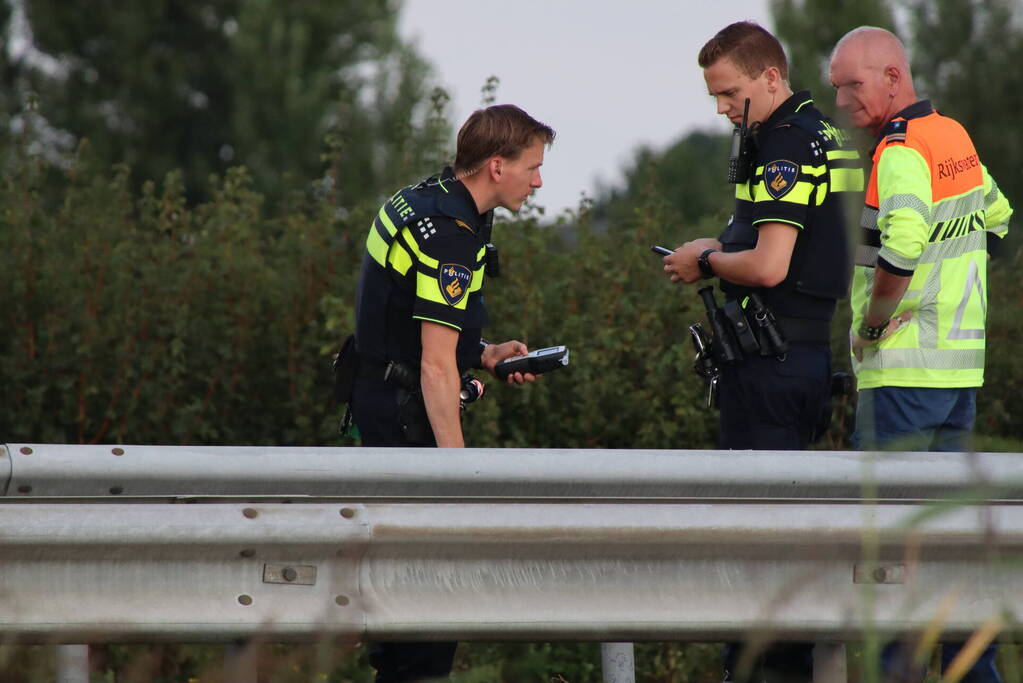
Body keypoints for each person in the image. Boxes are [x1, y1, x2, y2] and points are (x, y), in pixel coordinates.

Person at [661, 21, 864, 683]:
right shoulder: (824, 132)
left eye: (730, 93)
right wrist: (723, 247)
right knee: (785, 531)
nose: (723, 109)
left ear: (770, 77)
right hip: (807, 355)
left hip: (769, 363)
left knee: (758, 540)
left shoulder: (784, 141)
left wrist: (706, 259)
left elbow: (771, 264)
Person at [346, 104, 555, 682]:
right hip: (402, 409)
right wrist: (460, 479)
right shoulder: (451, 233)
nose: (539, 181)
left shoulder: (428, 199)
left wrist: (484, 354)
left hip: (380, 394)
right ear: (497, 166)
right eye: (533, 167)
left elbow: (417, 321)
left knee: (401, 600)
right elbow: (435, 368)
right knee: (429, 601)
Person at [829, 26, 1012, 683]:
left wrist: (874, 325)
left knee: (890, 555)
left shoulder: (899, 149)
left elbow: (902, 246)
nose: (842, 99)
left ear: (891, 78)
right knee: (953, 542)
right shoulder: (953, 137)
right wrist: (949, 291)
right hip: (956, 375)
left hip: (902, 378)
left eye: (852, 85)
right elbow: (997, 219)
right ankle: (975, 673)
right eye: (836, 87)